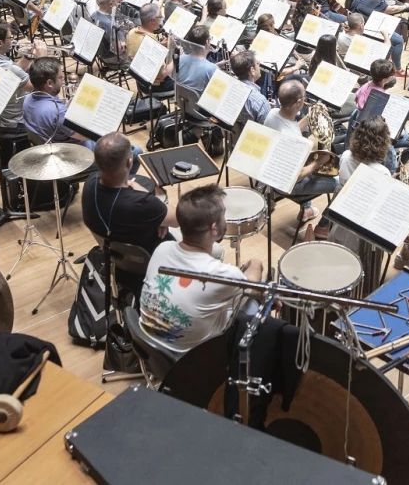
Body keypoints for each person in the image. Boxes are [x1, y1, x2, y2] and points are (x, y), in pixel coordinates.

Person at [140, 184, 264, 354]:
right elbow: (254, 284)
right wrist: (256, 263)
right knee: (255, 304)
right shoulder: (223, 275)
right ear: (214, 228)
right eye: (223, 214)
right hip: (191, 361)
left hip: (150, 348)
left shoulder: (162, 249)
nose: (225, 219)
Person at [333, 115, 409, 270]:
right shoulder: (381, 171)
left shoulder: (345, 156)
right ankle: (406, 255)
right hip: (367, 223)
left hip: (345, 214)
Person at [23, 58, 143, 171]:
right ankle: (117, 188)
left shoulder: (28, 98)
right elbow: (86, 136)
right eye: (60, 77)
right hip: (73, 157)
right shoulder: (57, 112)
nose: (63, 80)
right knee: (136, 151)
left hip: (53, 149)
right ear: (49, 83)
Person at [83, 131, 177, 261]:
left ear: (95, 160)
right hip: (152, 262)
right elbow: (178, 219)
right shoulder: (142, 203)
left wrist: (158, 216)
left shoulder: (89, 183)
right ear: (129, 162)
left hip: (118, 260)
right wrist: (157, 212)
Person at [263, 80, 337, 224]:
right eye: (304, 97)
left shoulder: (273, 114)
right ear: (298, 103)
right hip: (288, 186)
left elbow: (292, 128)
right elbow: (296, 176)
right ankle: (323, 225)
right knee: (340, 184)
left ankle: (307, 210)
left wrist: (310, 117)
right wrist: (318, 163)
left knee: (307, 152)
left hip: (270, 174)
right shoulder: (294, 139)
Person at [0, 19, 47, 133]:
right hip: (16, 124)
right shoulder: (6, 66)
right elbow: (35, 85)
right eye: (10, 38)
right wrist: (41, 59)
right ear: (0, 43)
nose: (13, 41)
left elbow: (14, 74)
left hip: (3, 121)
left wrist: (27, 57)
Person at [351, 0, 409, 75]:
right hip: (368, 31)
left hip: (360, 28)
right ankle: (397, 69)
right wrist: (406, 6)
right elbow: (392, 9)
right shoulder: (369, 1)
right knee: (399, 40)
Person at [126, 3, 174, 93]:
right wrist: (174, 56)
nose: (161, 19)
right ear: (153, 20)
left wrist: (159, 45)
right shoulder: (151, 43)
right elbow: (163, 73)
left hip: (140, 81)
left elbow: (143, 51)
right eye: (160, 17)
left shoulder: (132, 32)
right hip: (155, 86)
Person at [231, 50, 271, 126]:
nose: (259, 64)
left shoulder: (229, 86)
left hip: (233, 136)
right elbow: (267, 130)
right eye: (257, 63)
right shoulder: (261, 102)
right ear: (252, 70)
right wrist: (267, 108)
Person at [177, 24, 218, 93]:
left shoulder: (179, 59)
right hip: (199, 103)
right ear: (207, 42)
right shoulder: (212, 69)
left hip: (182, 101)